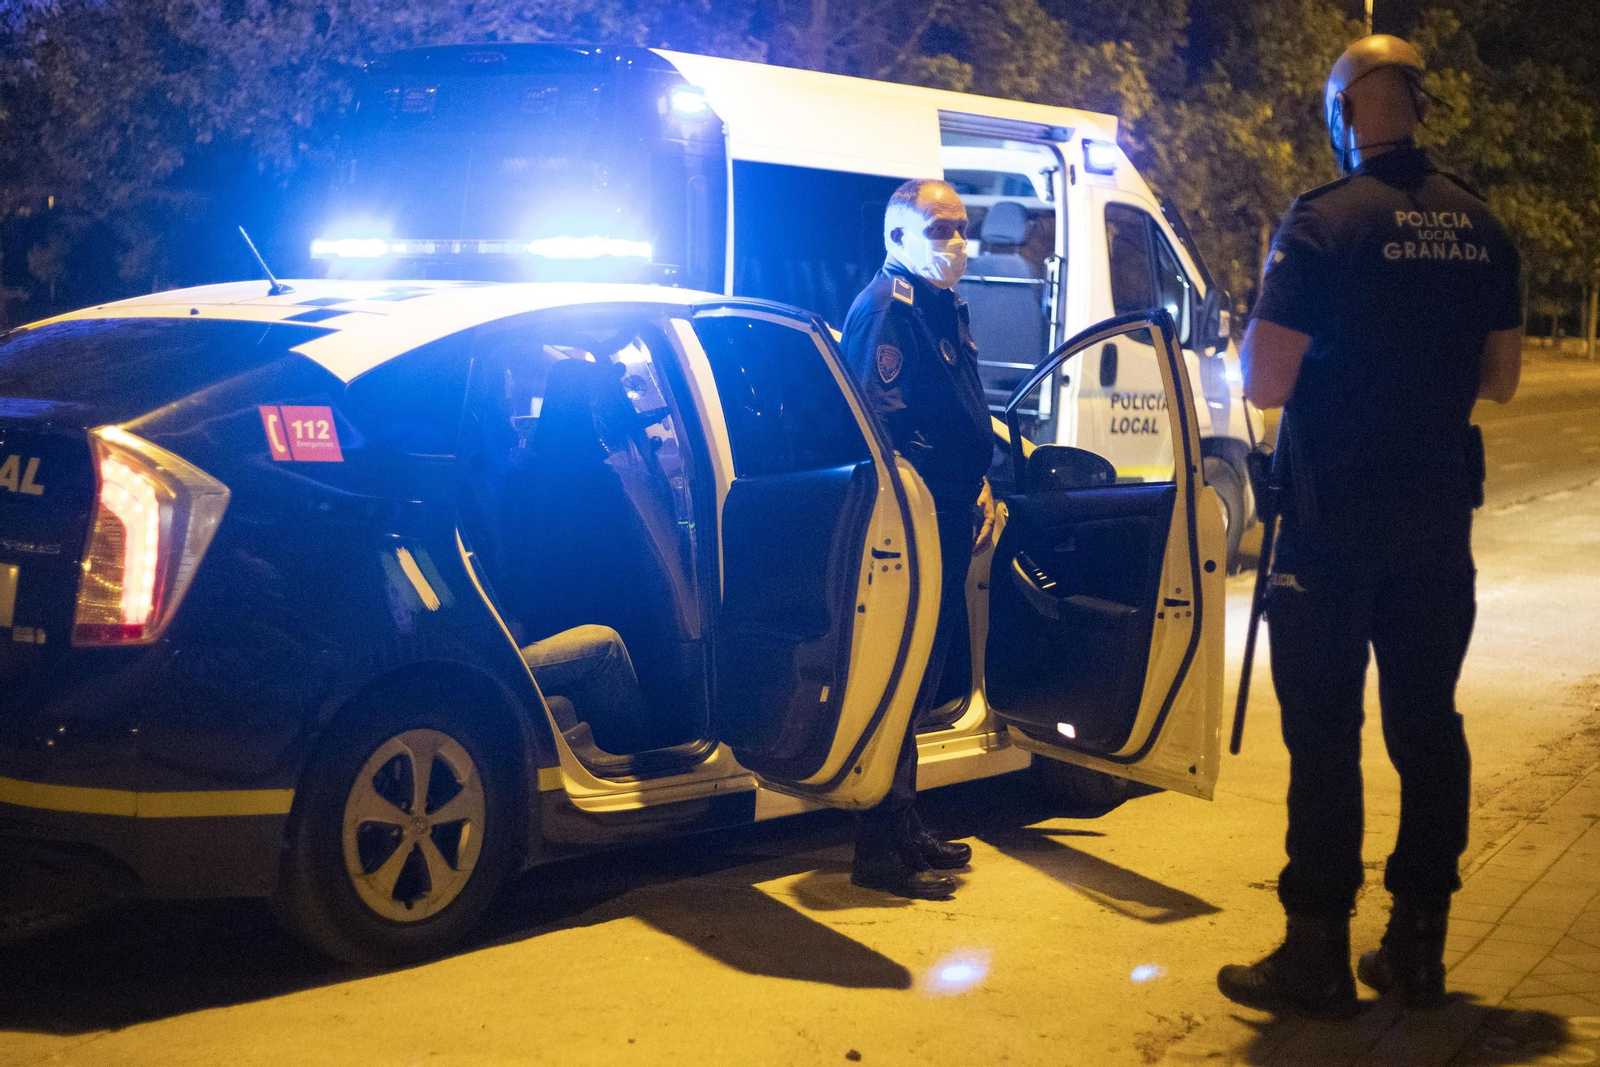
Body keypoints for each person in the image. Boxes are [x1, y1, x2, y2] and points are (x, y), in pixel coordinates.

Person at [1217, 34, 1523, 1016]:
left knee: (1325, 736)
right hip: (1435, 523)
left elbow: (1265, 382)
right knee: (1428, 728)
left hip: (1332, 522)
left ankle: (1315, 949)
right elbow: (1501, 380)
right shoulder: (1482, 224)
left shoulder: (1322, 221)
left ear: (1344, 112)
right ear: (1419, 105)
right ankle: (1417, 948)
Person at [841, 178, 997, 900]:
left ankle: (904, 824)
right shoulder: (886, 310)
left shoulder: (941, 303)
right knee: (900, 678)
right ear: (897, 237)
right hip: (915, 521)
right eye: (940, 229)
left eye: (962, 227)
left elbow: (957, 410)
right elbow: (882, 431)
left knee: (924, 680)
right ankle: (877, 850)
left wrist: (980, 481)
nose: (956, 242)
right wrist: (931, 503)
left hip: (949, 511)